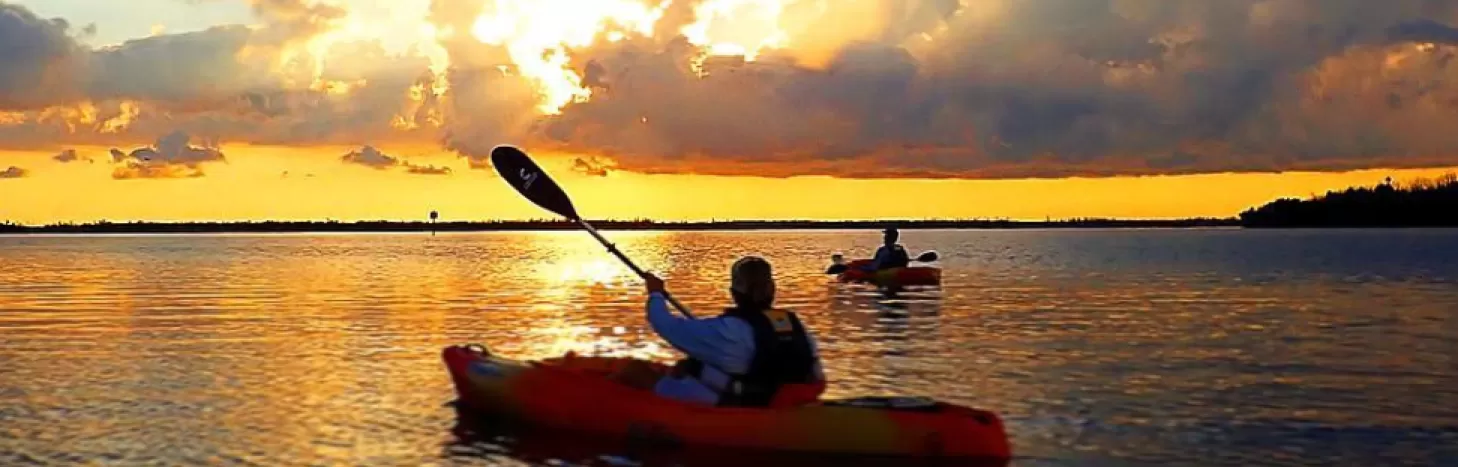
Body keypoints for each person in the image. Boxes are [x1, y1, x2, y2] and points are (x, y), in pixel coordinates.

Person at [613, 256, 826, 407]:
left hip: (740, 406)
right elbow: (816, 377)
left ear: (734, 293)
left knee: (635, 371)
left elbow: (664, 324)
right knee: (689, 366)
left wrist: (656, 294)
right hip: (780, 401)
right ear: (772, 290)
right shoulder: (797, 327)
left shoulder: (728, 332)